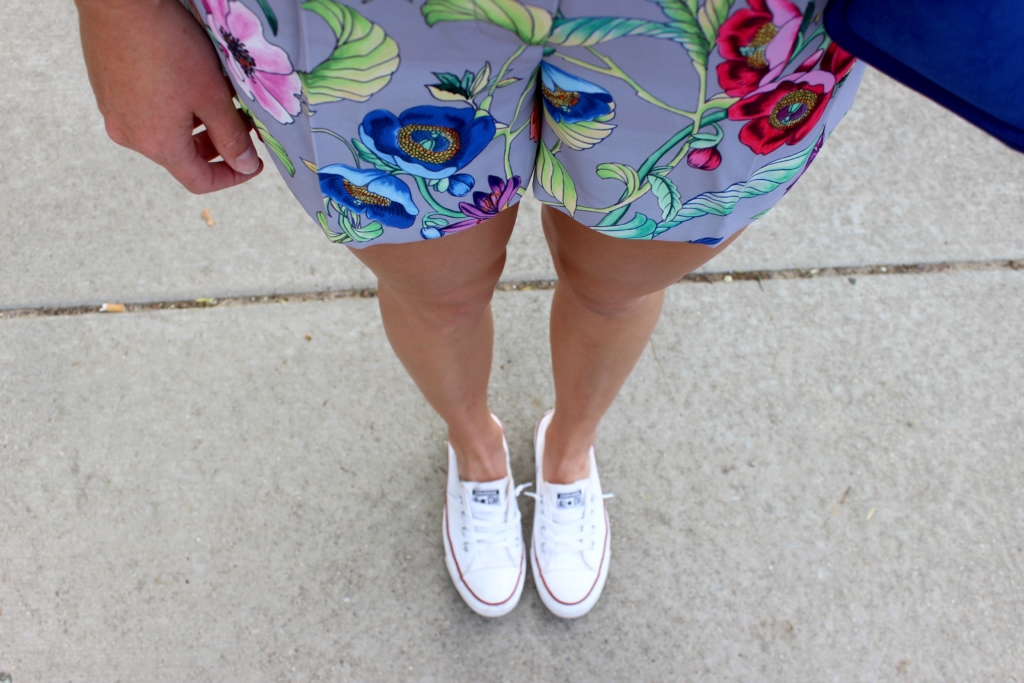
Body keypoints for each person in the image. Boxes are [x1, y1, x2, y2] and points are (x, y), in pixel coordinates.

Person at [75, 0, 864, 618]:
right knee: (438, 292)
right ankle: (477, 448)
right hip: (367, 11)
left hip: (724, 20)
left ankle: (569, 451)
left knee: (619, 282)